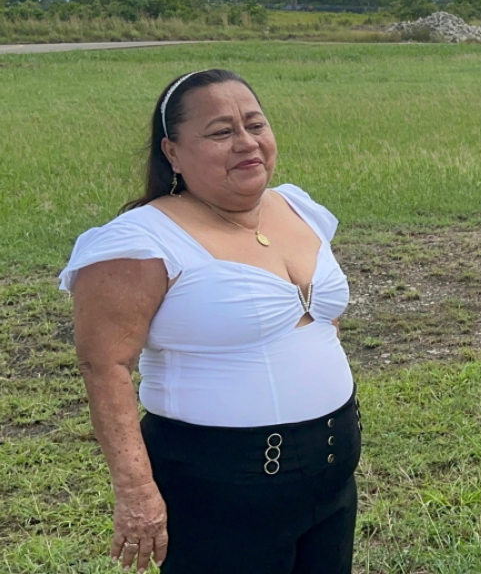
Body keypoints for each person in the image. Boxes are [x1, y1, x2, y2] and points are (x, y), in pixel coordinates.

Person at [61, 69, 361, 574]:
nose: (246, 143)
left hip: (331, 469)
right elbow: (104, 365)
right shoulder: (140, 240)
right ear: (172, 152)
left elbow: (320, 323)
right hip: (219, 486)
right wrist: (137, 491)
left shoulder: (297, 207)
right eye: (221, 132)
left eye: (255, 125)